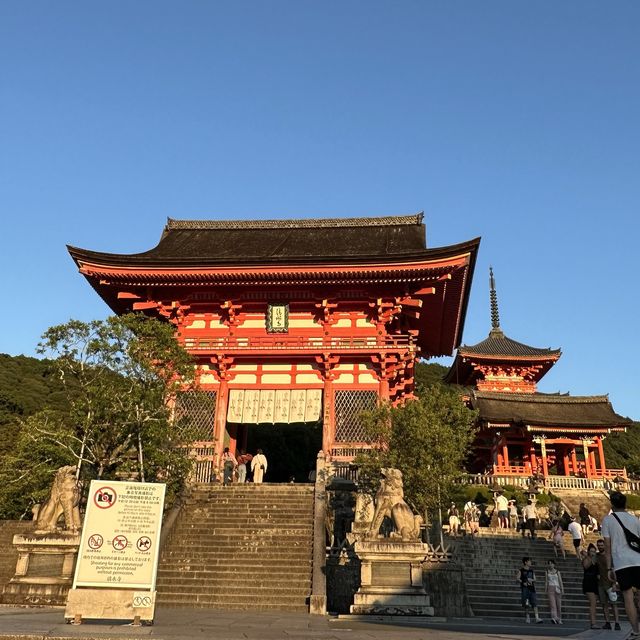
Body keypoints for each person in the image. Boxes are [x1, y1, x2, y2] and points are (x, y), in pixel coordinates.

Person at [601, 491, 640, 639]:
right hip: (638, 560)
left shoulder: (608, 520)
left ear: (612, 504)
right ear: (625, 503)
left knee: (628, 597)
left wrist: (609, 567)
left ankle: (636, 631)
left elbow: (607, 546)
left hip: (621, 562)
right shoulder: (635, 519)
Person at [596, 538, 621, 630]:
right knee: (604, 604)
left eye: (601, 545)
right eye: (599, 545)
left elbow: (615, 570)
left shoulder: (609, 556)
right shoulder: (597, 556)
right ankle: (607, 622)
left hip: (610, 583)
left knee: (614, 604)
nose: (600, 547)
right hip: (600, 584)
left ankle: (617, 623)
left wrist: (615, 583)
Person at [516, 556, 543, 624]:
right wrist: (523, 582)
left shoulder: (531, 571)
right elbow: (517, 578)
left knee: (534, 603)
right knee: (526, 604)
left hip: (532, 588)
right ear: (525, 562)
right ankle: (527, 617)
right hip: (525, 589)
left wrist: (532, 580)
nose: (530, 562)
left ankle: (537, 618)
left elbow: (535, 579)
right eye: (529, 561)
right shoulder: (521, 570)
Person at [581, 543, 600, 629]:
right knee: (593, 603)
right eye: (591, 551)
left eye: (594, 551)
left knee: (594, 603)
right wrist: (589, 557)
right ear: (588, 552)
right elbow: (586, 566)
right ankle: (593, 623)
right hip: (588, 582)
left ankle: (594, 622)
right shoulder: (586, 559)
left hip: (595, 582)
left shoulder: (596, 560)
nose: (593, 553)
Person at [545, 559, 564, 624]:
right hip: (550, 588)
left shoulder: (557, 572)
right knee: (553, 605)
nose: (550, 565)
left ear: (554, 564)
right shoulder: (547, 572)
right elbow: (546, 581)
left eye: (551, 563)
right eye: (549, 563)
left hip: (557, 588)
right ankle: (554, 617)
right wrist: (545, 589)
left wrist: (562, 589)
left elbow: (560, 581)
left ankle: (559, 618)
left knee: (558, 604)